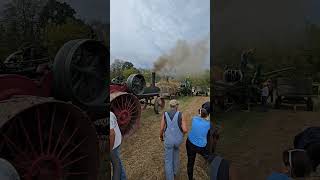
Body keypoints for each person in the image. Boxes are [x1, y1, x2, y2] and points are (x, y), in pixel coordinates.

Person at [160, 99, 188, 180]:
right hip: (177, 141)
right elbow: (185, 129)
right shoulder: (180, 114)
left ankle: (170, 178)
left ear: (170, 106)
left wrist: (161, 136)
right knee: (176, 154)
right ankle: (175, 172)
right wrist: (182, 135)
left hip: (168, 141)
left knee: (168, 160)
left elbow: (162, 128)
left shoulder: (165, 114)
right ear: (176, 106)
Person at [186, 107, 211, 180]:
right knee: (210, 157)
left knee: (190, 163)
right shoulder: (208, 124)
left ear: (200, 114)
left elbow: (199, 115)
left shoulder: (194, 119)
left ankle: (190, 178)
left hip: (190, 143)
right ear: (207, 115)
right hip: (201, 147)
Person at [110, 111, 127, 180]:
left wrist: (109, 149)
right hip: (111, 144)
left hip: (113, 145)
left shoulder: (109, 115)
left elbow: (111, 134)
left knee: (117, 165)